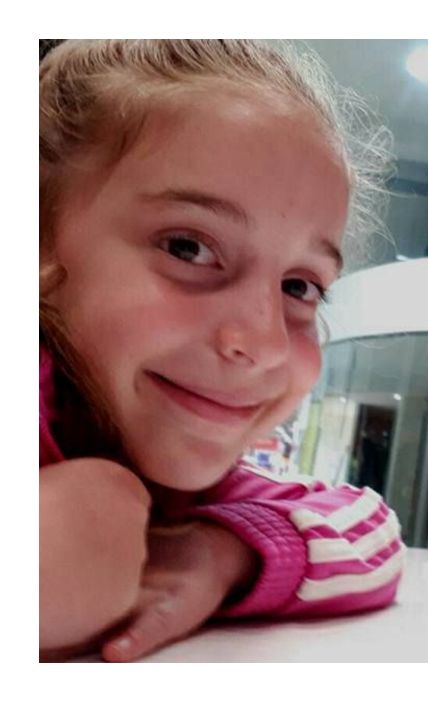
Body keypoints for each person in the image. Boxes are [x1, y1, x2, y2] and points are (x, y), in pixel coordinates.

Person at [39, 40, 404, 662]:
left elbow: (373, 528)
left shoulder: (168, 472)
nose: (262, 343)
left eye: (300, 287)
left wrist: (221, 551)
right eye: (188, 248)